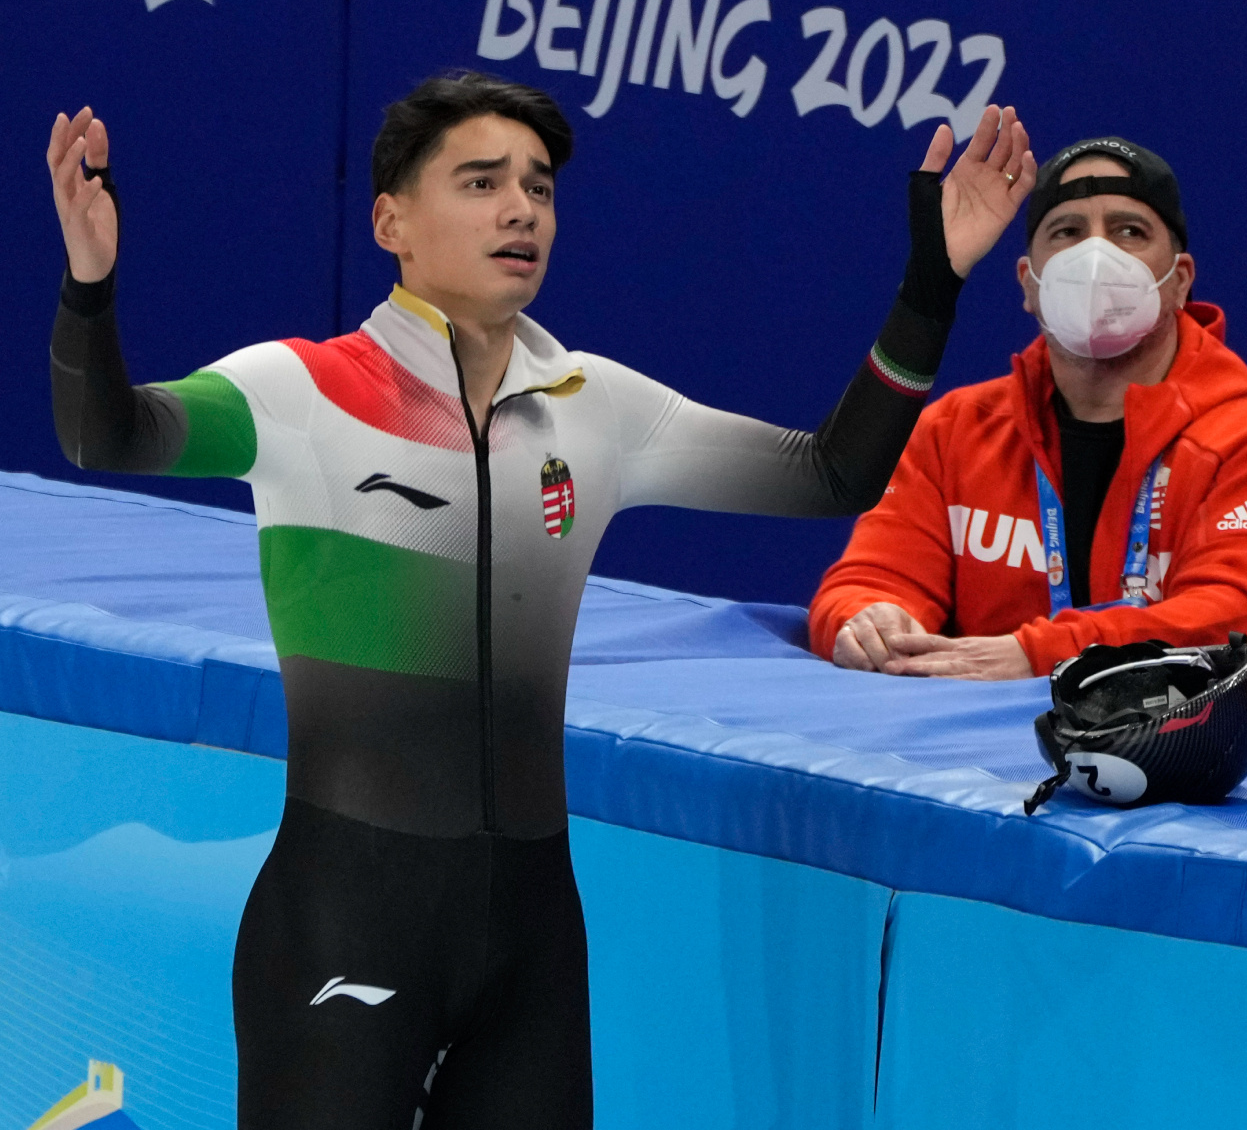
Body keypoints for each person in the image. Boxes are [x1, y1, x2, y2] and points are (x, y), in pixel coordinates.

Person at [45, 74, 1035, 1126]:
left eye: (541, 188)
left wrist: (932, 283)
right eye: (482, 183)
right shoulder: (299, 391)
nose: (522, 208)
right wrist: (91, 286)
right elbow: (106, 434)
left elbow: (832, 474)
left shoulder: (595, 408)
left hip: (531, 944)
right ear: (392, 222)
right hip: (344, 924)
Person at [808, 137, 1247, 683]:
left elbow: (1238, 624)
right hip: (958, 754)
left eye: (1130, 231)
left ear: (1180, 282)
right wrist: (867, 621)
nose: (1096, 257)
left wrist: (1040, 657)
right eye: (1068, 232)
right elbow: (868, 579)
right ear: (1030, 284)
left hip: (1169, 758)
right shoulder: (954, 433)